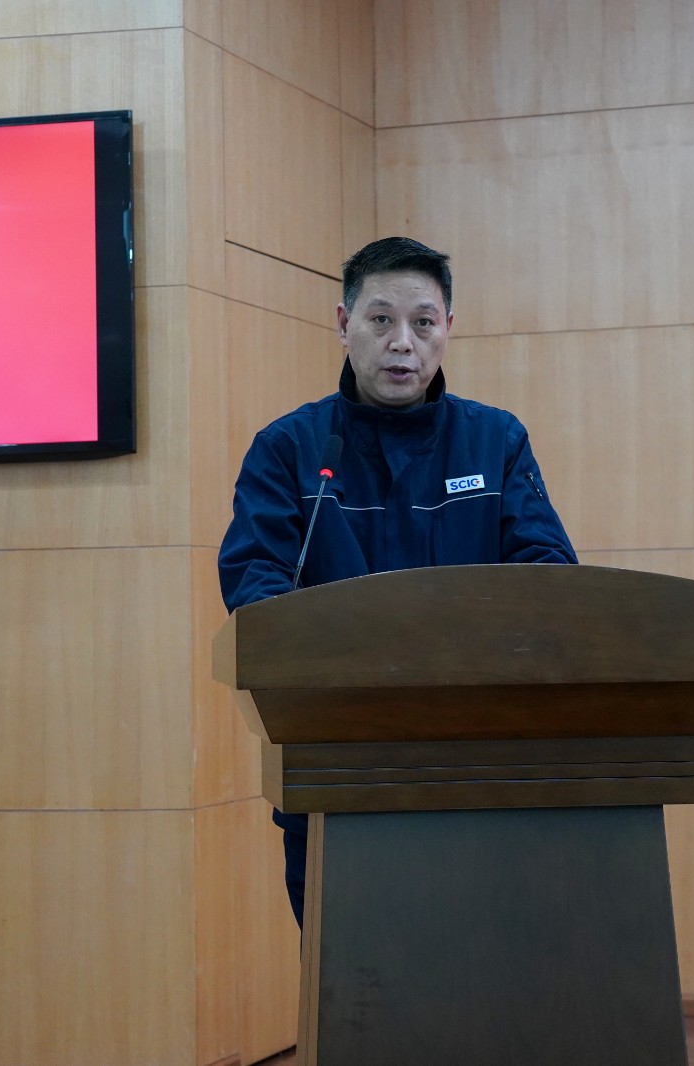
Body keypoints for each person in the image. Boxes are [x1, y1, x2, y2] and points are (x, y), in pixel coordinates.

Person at [217, 236, 577, 926]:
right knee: (349, 973)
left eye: (423, 322)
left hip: (481, 767)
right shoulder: (290, 450)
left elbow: (549, 578)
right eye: (381, 319)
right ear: (343, 323)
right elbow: (256, 587)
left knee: (487, 964)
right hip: (337, 766)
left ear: (448, 329)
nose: (402, 343)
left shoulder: (495, 441)